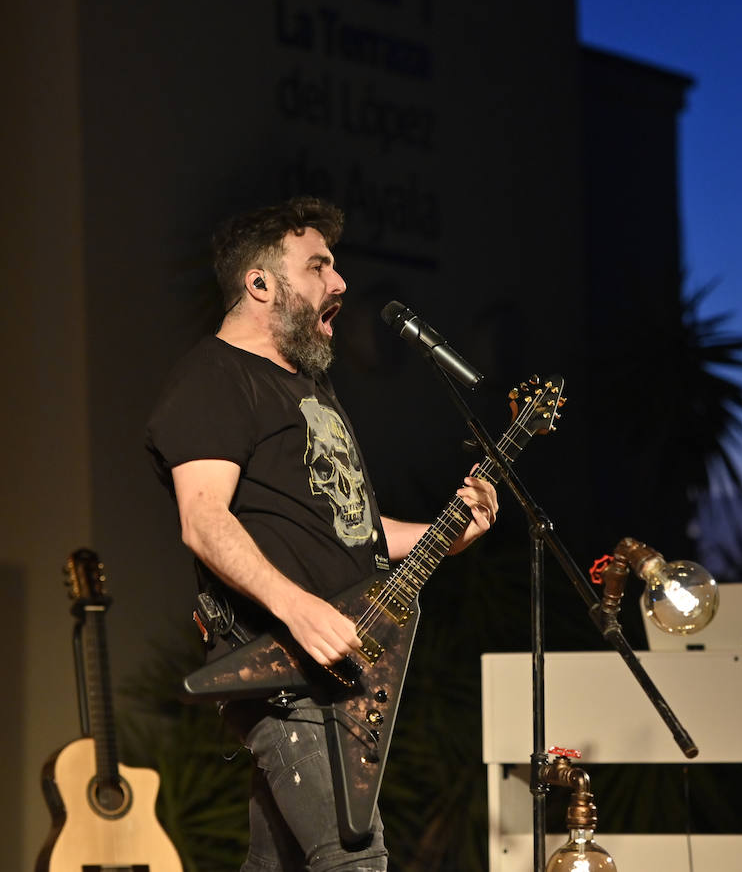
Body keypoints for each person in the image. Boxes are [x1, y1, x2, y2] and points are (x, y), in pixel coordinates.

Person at [145, 196, 498, 871]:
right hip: (284, 672)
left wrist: (448, 530)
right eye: (319, 266)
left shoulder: (306, 388)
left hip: (337, 668)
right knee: (355, 857)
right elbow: (204, 519)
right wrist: (300, 609)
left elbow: (354, 531)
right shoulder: (213, 379)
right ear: (260, 284)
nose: (339, 283)